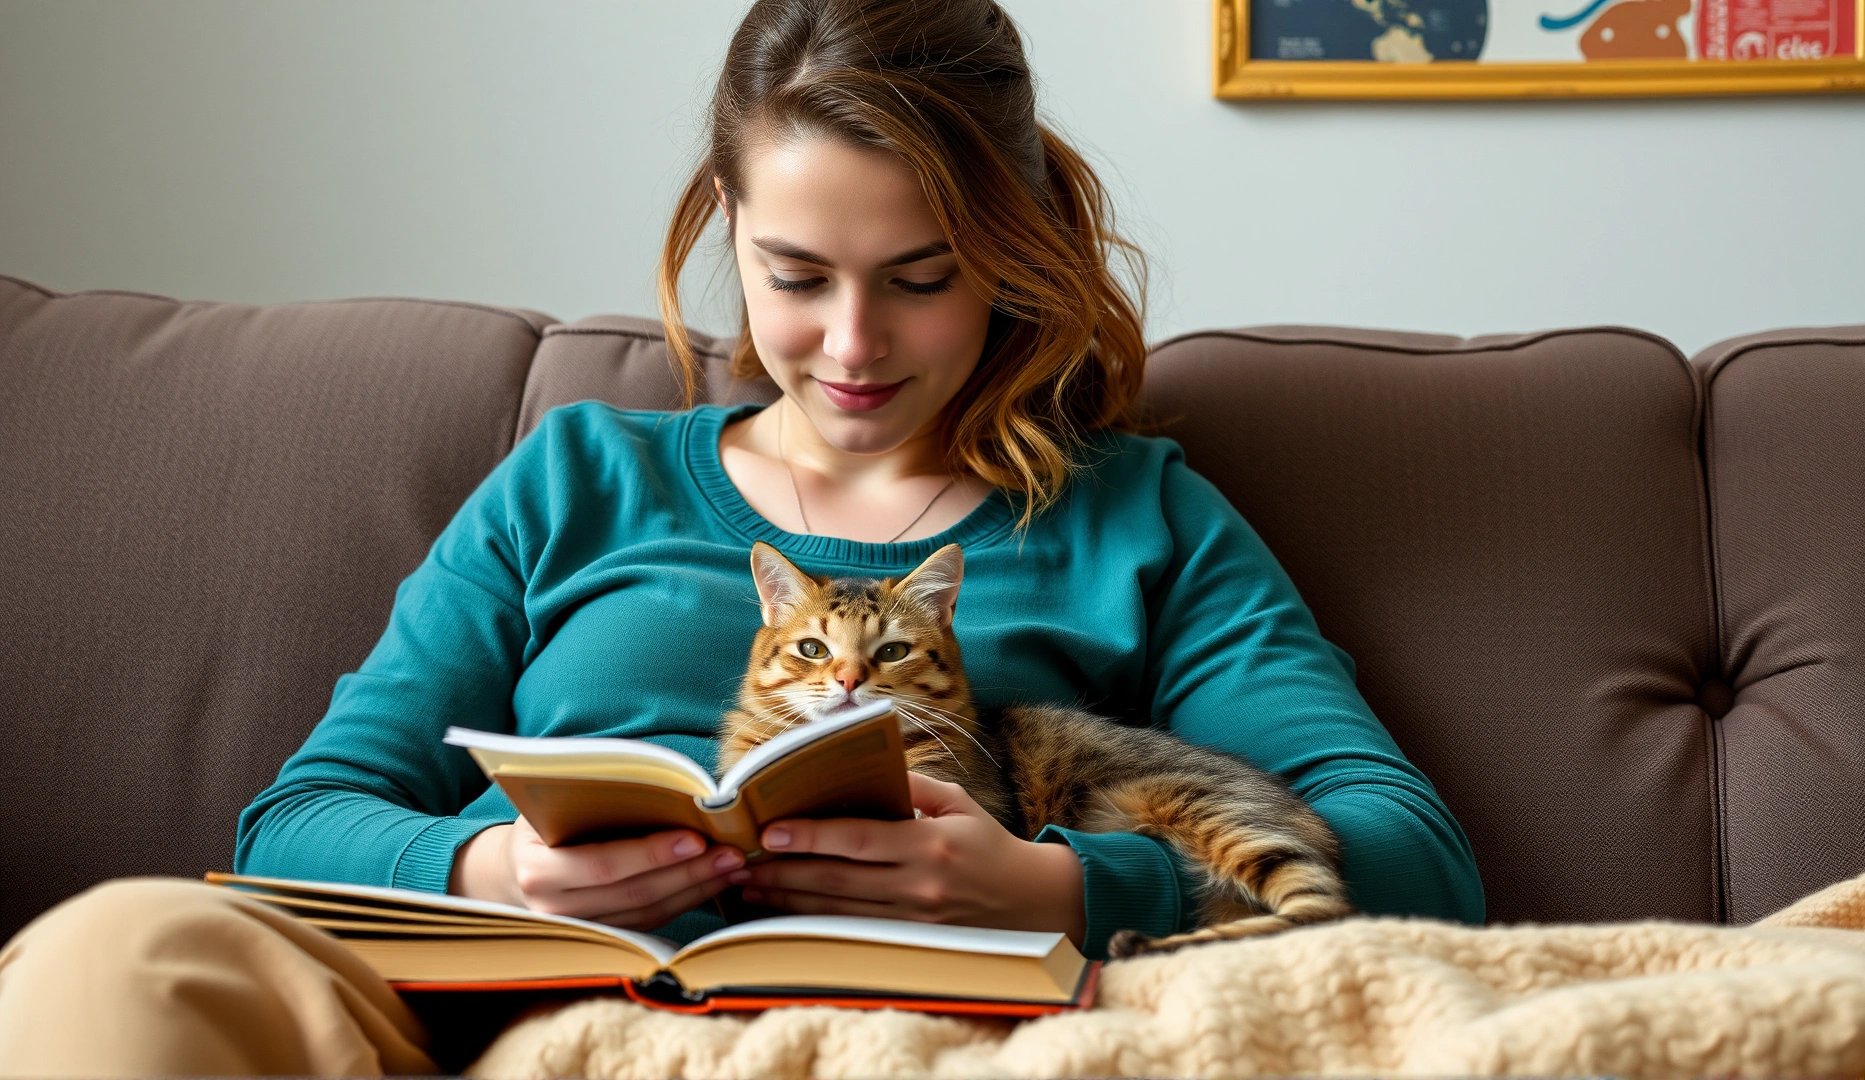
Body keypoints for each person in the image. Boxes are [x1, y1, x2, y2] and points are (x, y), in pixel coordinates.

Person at [0, 0, 1484, 1074]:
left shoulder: (1134, 515)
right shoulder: (578, 479)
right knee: (113, 951)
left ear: (1013, 255)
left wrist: (1062, 889)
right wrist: (499, 870)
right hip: (505, 1022)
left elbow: (1416, 861)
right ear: (726, 223)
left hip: (922, 1037)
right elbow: (291, 828)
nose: (851, 345)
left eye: (921, 277)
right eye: (794, 274)